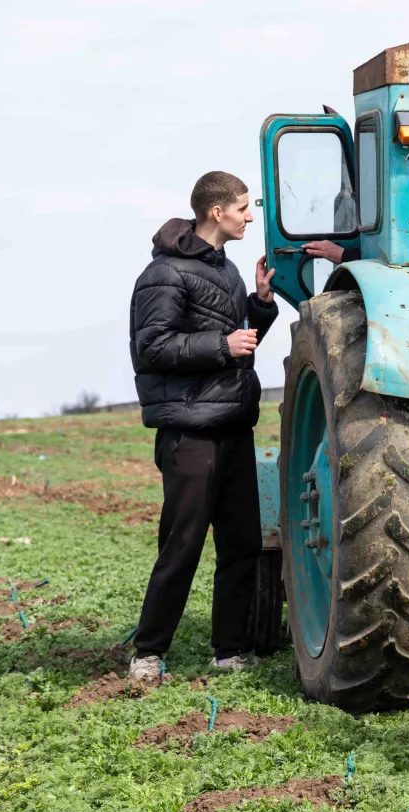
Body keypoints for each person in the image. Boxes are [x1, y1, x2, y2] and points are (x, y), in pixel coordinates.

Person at [127, 171, 279, 681]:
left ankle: (228, 652)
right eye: (242, 208)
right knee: (183, 544)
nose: (249, 216)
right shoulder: (163, 274)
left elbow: (239, 340)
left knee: (241, 546)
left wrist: (258, 303)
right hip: (190, 434)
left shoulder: (228, 272)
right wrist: (221, 345)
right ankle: (147, 654)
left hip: (233, 425)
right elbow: (152, 348)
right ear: (216, 212)